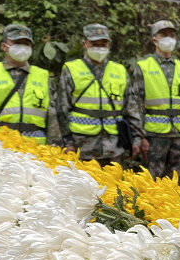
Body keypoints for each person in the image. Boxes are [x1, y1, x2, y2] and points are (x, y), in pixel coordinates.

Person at [56, 23, 142, 165]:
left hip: (114, 147)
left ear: (108, 45)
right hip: (82, 147)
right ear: (85, 44)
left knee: (114, 186)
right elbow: (62, 109)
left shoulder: (119, 70)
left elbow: (131, 108)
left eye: (103, 44)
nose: (99, 48)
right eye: (94, 44)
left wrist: (136, 138)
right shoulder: (71, 69)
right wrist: (67, 143)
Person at [132, 20, 180, 180]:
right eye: (164, 34)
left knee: (179, 183)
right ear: (155, 39)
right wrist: (141, 136)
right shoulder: (143, 66)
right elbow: (135, 105)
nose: (169, 38)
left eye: (172, 35)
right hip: (154, 135)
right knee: (152, 182)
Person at [0, 24, 56, 143]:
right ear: (4, 46)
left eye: (26, 44)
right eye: (16, 43)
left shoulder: (42, 75)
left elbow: (51, 115)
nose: (22, 47)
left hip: (37, 148)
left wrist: (54, 145)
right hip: (0, 145)